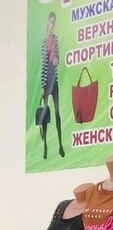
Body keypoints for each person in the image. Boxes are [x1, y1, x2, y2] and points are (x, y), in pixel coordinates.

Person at [39, 11, 65, 158]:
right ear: (47, 22)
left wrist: (57, 60)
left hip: (54, 79)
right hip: (46, 78)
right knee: (45, 113)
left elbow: (58, 58)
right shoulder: (44, 42)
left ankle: (60, 144)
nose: (52, 24)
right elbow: (43, 65)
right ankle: (45, 146)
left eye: (54, 22)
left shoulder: (56, 39)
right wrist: (42, 86)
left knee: (57, 112)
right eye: (50, 21)